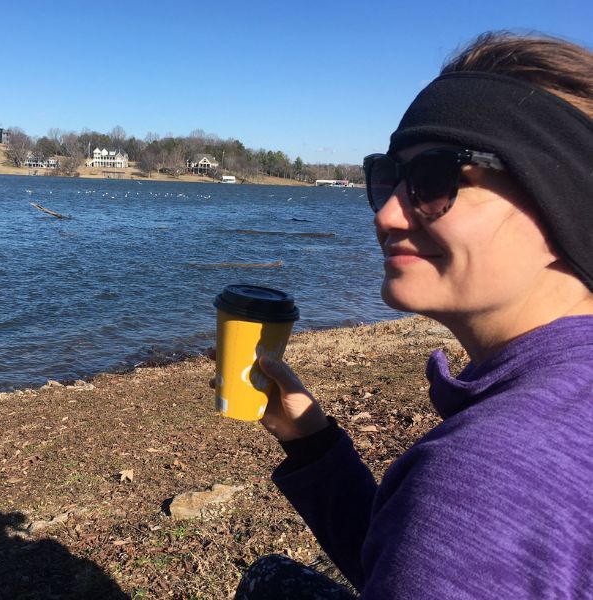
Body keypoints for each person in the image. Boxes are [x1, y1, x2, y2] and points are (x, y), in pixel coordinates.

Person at [235, 31, 593, 599]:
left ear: (567, 200)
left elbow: (465, 542)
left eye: (435, 179)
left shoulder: (484, 479)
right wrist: (312, 444)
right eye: (387, 179)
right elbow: (419, 560)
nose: (388, 216)